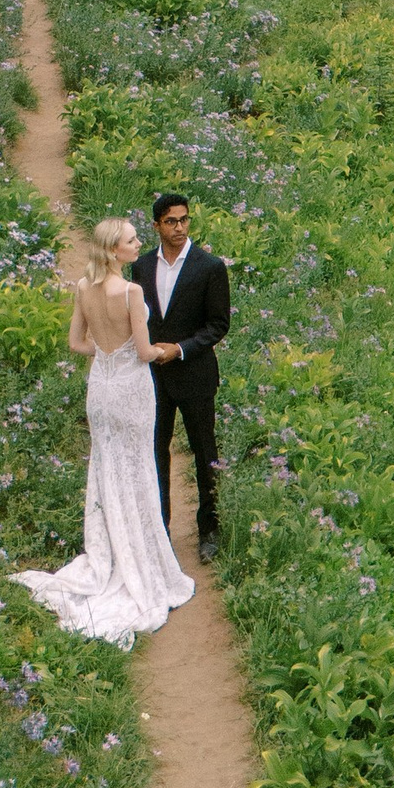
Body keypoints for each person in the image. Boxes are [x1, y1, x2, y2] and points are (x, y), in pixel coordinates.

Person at [12, 217, 195, 643]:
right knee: (138, 468)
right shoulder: (131, 292)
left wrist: (107, 354)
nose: (138, 245)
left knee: (107, 466)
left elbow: (76, 344)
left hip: (101, 389)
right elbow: (147, 351)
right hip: (131, 388)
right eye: (132, 241)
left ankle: (110, 552)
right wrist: (168, 350)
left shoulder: (83, 287)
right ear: (115, 250)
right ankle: (144, 560)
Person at [138, 189, 231, 559]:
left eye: (185, 219)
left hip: (194, 373)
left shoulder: (208, 267)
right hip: (154, 379)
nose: (180, 227)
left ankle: (210, 530)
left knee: (204, 451)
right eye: (171, 221)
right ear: (157, 225)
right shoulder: (143, 266)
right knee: (155, 452)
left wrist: (180, 349)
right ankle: (159, 530)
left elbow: (218, 324)